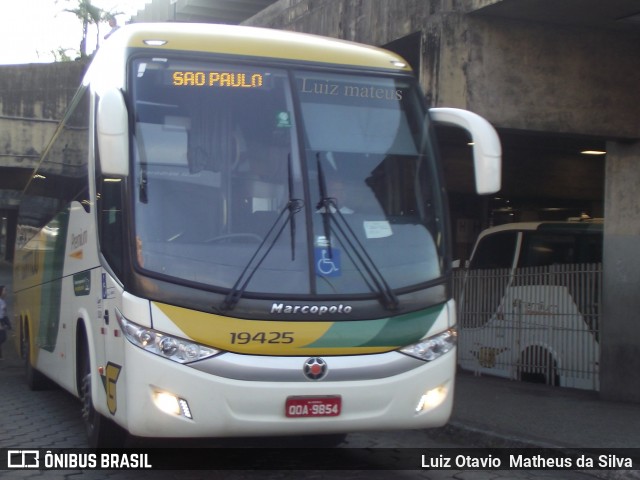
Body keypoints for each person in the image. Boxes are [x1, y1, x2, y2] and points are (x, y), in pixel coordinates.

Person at [0, 285, 10, 360]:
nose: (6, 292)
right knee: (2, 337)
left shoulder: (2, 301)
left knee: (2, 337)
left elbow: (4, 313)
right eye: (4, 290)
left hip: (3, 319)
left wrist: (7, 323)